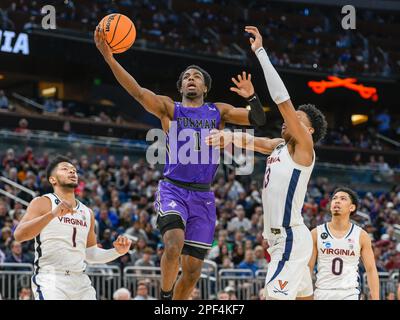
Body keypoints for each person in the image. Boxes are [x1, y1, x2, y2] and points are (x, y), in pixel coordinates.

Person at [94, 25, 266, 300]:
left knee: (193, 271)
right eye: (186, 76)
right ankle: (164, 297)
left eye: (196, 76)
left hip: (204, 196)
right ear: (181, 86)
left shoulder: (218, 111)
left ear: (205, 87)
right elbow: (137, 92)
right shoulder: (169, 109)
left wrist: (251, 97)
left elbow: (258, 119)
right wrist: (110, 58)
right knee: (173, 245)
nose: (191, 79)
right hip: (173, 189)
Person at [206, 26, 327, 300]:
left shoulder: (305, 149)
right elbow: (254, 142)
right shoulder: (279, 146)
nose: (288, 120)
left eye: (297, 119)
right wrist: (226, 135)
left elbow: (282, 100)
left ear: (307, 131)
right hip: (279, 241)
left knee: (270, 297)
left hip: (290, 239)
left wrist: (260, 52)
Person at [14, 156, 132, 300]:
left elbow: (90, 255)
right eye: (65, 169)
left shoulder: (87, 212)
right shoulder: (42, 202)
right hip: (51, 278)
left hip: (81, 281)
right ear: (53, 179)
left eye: (74, 170)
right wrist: (52, 215)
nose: (72, 172)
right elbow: (19, 235)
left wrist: (117, 252)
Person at [309, 187, 380, 300]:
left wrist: (376, 298)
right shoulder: (316, 233)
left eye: (343, 199)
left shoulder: (361, 235)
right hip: (322, 293)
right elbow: (309, 268)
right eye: (334, 198)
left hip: (349, 293)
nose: (337, 201)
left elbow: (371, 269)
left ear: (352, 207)